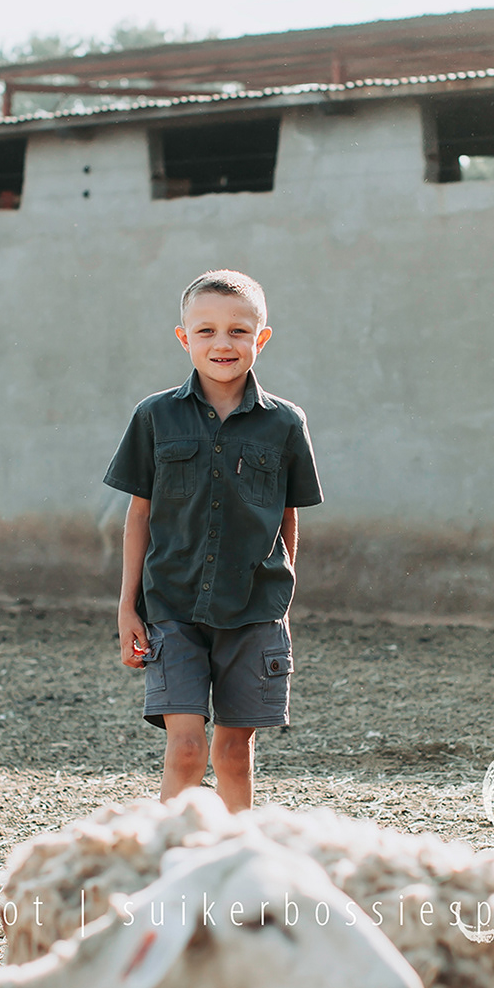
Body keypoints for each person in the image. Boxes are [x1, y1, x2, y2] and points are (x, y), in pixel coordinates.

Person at [102, 269, 322, 810]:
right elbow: (139, 515)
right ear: (184, 337)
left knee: (231, 752)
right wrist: (127, 606)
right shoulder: (154, 416)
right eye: (205, 331)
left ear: (261, 338)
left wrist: (282, 606)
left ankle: (234, 867)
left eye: (238, 331)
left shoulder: (286, 424)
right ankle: (166, 865)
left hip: (253, 610)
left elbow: (287, 518)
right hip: (172, 606)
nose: (222, 344)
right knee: (185, 749)